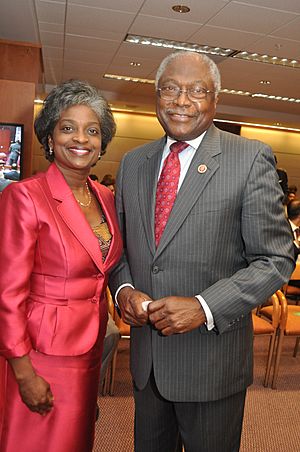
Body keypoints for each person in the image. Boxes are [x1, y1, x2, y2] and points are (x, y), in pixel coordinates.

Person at [109, 51, 294, 452]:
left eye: (197, 90)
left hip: (211, 362)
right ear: (156, 95)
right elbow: (118, 250)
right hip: (148, 364)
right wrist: (124, 291)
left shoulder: (249, 158)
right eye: (171, 88)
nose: (181, 100)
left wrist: (205, 306)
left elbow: (276, 259)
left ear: (215, 100)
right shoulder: (133, 162)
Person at [0, 80, 123, 452]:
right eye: (67, 127)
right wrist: (22, 371)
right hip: (40, 354)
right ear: (49, 137)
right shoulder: (25, 197)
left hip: (90, 348)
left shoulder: (105, 197)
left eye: (92, 130)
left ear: (102, 143)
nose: (80, 139)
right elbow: (8, 292)